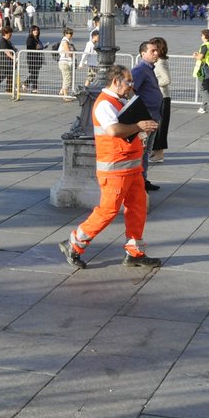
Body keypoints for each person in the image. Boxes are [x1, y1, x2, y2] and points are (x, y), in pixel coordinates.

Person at [59, 64, 160, 269]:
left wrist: (141, 132)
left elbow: (124, 132)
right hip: (115, 168)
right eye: (128, 82)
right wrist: (139, 126)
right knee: (107, 211)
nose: (131, 86)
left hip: (130, 166)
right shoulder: (104, 103)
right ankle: (74, 243)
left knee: (137, 208)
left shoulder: (118, 101)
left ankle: (134, 252)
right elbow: (113, 130)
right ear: (116, 81)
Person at [131, 40, 165, 193]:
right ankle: (139, 181)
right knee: (142, 149)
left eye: (157, 50)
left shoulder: (149, 69)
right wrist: (140, 113)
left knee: (147, 149)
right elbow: (131, 91)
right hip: (146, 116)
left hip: (153, 114)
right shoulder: (140, 69)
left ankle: (142, 179)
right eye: (152, 51)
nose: (156, 53)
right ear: (143, 53)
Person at [149, 38, 172, 166]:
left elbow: (167, 80)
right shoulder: (158, 62)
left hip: (163, 97)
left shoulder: (161, 63)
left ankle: (159, 154)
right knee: (157, 125)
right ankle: (156, 151)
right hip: (159, 97)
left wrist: (153, 84)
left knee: (161, 126)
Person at [193, 29, 209, 113]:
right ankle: (203, 107)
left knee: (202, 89)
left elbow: (200, 57)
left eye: (202, 35)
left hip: (203, 69)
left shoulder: (204, 45)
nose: (201, 37)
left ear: (205, 36)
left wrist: (195, 56)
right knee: (206, 89)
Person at [23, 25, 46, 94]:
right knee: (34, 73)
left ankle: (28, 85)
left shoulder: (37, 38)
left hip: (37, 58)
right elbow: (29, 48)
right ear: (31, 31)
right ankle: (33, 87)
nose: (36, 31)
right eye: (34, 30)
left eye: (37, 30)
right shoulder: (30, 38)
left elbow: (38, 47)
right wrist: (37, 48)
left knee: (35, 73)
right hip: (32, 58)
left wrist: (42, 47)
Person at [56, 27, 76, 100]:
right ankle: (65, 95)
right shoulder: (65, 41)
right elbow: (68, 53)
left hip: (65, 61)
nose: (70, 35)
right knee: (67, 78)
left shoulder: (67, 41)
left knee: (65, 78)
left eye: (71, 33)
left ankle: (62, 92)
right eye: (69, 33)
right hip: (65, 61)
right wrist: (72, 52)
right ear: (65, 34)